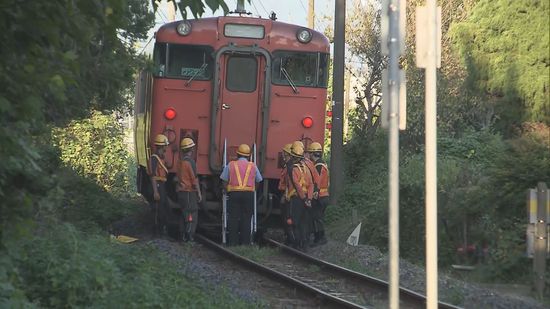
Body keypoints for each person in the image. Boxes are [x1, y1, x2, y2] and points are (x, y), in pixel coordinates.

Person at [220, 144, 262, 246]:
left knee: (233, 218)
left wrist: (227, 190)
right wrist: (253, 189)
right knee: (247, 218)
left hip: (234, 194)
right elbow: (259, 180)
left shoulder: (230, 165)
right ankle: (245, 243)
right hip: (249, 194)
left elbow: (224, 180)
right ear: (248, 156)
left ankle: (232, 242)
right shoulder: (253, 166)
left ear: (237, 154)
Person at [284, 142, 314, 250]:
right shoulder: (306, 169)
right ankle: (304, 244)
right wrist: (309, 199)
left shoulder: (293, 169)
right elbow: (311, 184)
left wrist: (303, 198)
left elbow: (296, 185)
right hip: (306, 199)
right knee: (304, 222)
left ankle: (297, 244)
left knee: (294, 221)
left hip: (296, 199)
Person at [176, 137, 202, 242]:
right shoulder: (190, 162)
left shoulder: (180, 162)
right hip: (188, 191)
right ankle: (189, 236)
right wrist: (199, 193)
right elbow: (194, 179)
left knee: (184, 213)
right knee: (192, 213)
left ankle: (182, 235)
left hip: (181, 191)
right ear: (191, 149)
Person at [308, 142, 329, 245]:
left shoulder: (319, 165)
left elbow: (318, 179)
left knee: (317, 217)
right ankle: (318, 238)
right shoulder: (322, 164)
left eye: (310, 153)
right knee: (317, 217)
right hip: (323, 196)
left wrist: (315, 191)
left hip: (320, 196)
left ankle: (320, 238)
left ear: (313, 154)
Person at [150, 134, 169, 235]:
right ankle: (156, 232)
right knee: (158, 209)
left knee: (163, 207)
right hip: (157, 185)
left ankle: (161, 230)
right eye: (166, 145)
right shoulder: (154, 158)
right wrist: (155, 192)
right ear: (162, 146)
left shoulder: (161, 158)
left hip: (162, 185)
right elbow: (153, 175)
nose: (167, 147)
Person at [278, 143, 293, 244]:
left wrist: (284, 195)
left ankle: (290, 238)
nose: (283, 155)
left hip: (288, 196)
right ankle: (289, 237)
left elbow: (289, 183)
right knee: (286, 217)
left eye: (285, 154)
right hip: (287, 194)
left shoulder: (290, 167)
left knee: (287, 217)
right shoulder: (287, 165)